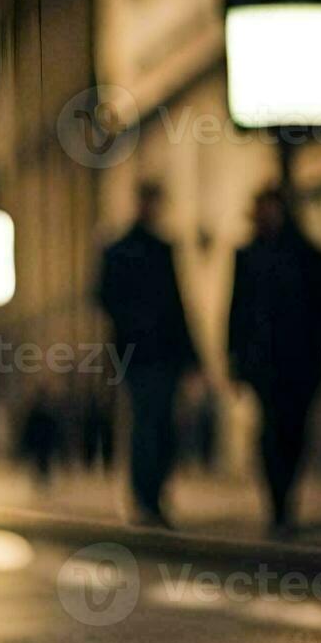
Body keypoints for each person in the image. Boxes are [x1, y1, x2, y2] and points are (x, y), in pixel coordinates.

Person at [228, 187, 321, 535]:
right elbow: (237, 312)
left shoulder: (310, 257)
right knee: (271, 431)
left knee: (296, 431)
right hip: (265, 364)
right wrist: (236, 360)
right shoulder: (248, 256)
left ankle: (286, 496)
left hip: (302, 362)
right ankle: (278, 502)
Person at [97, 183, 200, 527]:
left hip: (164, 353)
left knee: (162, 424)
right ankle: (145, 496)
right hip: (138, 354)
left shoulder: (161, 249)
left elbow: (178, 304)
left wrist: (191, 355)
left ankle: (154, 493)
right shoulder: (119, 250)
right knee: (146, 422)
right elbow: (104, 297)